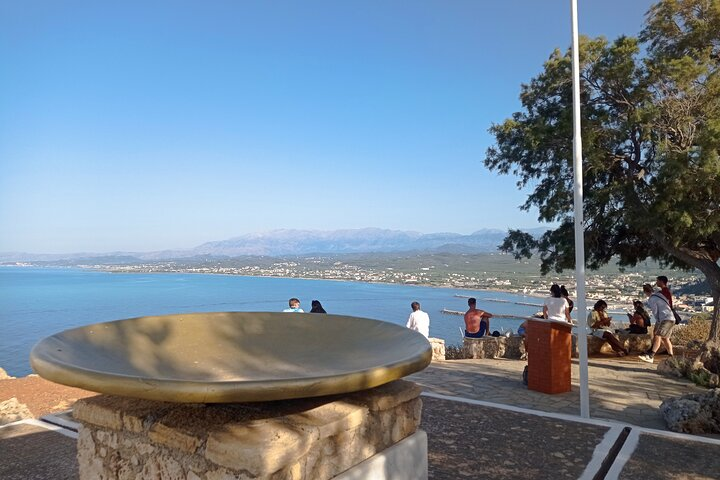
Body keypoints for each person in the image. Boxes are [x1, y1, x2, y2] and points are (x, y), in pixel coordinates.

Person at [639, 284, 675, 363]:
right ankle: (671, 357)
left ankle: (651, 356)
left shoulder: (652, 299)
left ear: (645, 292)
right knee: (665, 338)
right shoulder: (659, 295)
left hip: (665, 319)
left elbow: (655, 311)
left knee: (658, 336)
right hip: (671, 318)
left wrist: (658, 321)